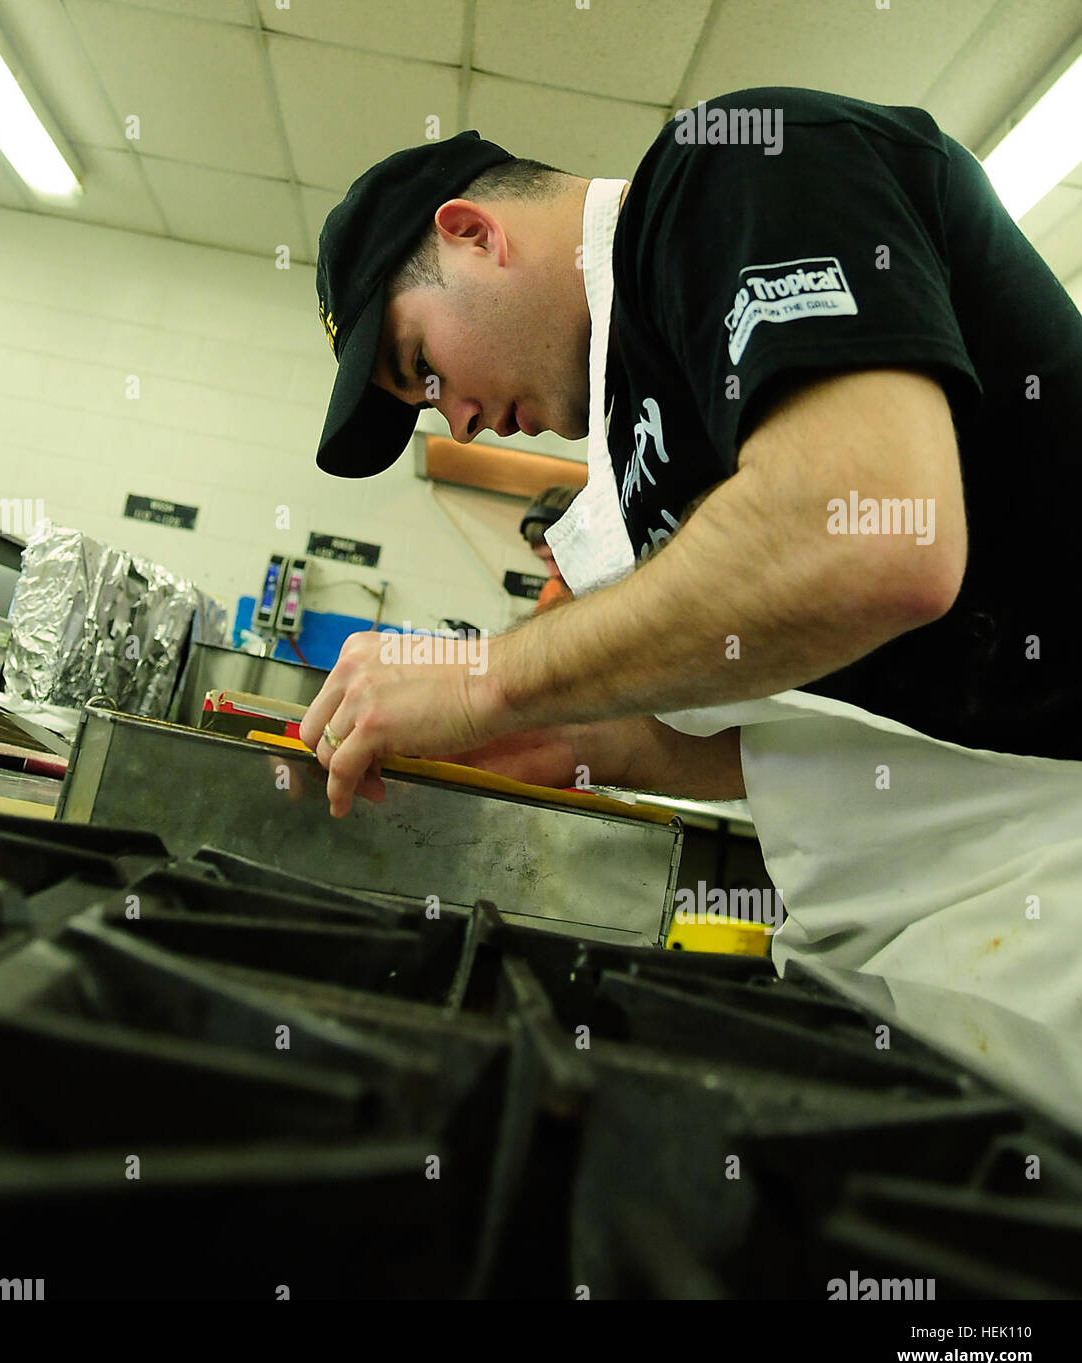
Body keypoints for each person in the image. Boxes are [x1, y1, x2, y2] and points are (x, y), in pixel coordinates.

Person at [302, 87, 1082, 821]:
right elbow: (838, 724)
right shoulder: (633, 420)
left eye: (423, 370)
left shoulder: (731, 166)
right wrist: (572, 741)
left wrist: (485, 681)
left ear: (474, 234)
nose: (461, 426)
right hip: (935, 868)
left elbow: (870, 542)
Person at [520, 485, 578, 612]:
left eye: (556, 558)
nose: (552, 573)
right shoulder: (552, 591)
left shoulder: (620, 587)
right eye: (543, 560)